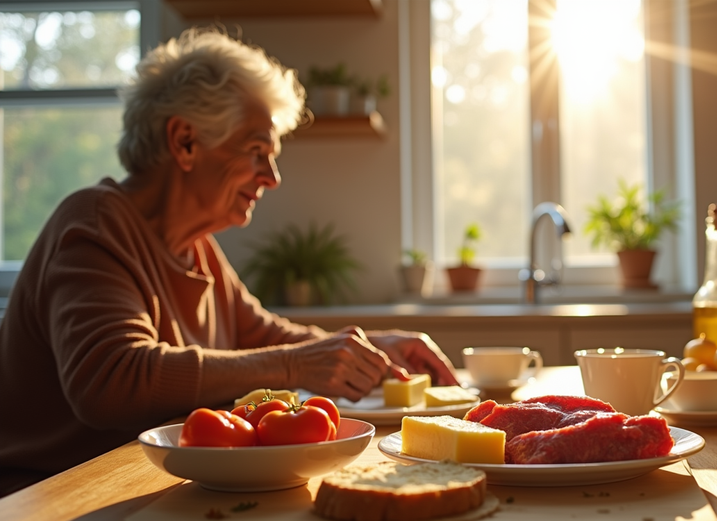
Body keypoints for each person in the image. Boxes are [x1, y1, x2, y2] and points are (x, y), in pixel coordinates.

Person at [0, 28, 457, 497]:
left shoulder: (197, 246)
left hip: (142, 487)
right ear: (185, 142)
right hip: (52, 498)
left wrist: (368, 348)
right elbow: (111, 381)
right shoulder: (95, 222)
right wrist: (295, 364)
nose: (273, 178)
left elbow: (265, 339)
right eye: (257, 151)